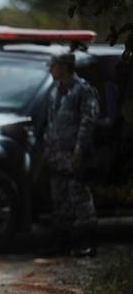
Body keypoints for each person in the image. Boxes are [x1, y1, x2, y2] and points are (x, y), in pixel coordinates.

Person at [42, 52, 99, 257]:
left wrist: (79, 151)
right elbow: (51, 122)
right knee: (60, 200)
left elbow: (87, 122)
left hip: (74, 156)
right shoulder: (54, 91)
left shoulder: (82, 90)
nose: (51, 69)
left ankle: (88, 243)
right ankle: (62, 244)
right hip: (56, 156)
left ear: (64, 67)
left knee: (80, 199)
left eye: (54, 66)